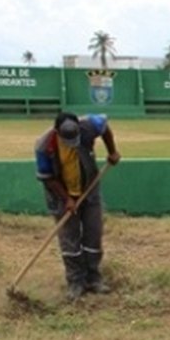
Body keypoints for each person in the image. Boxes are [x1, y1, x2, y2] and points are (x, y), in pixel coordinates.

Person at [35, 112, 121, 300]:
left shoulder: (89, 125)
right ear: (57, 132)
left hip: (89, 188)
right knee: (70, 240)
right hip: (60, 195)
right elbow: (48, 178)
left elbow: (105, 127)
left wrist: (112, 151)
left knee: (93, 233)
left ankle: (93, 278)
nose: (72, 144)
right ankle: (75, 282)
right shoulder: (44, 146)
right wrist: (67, 199)